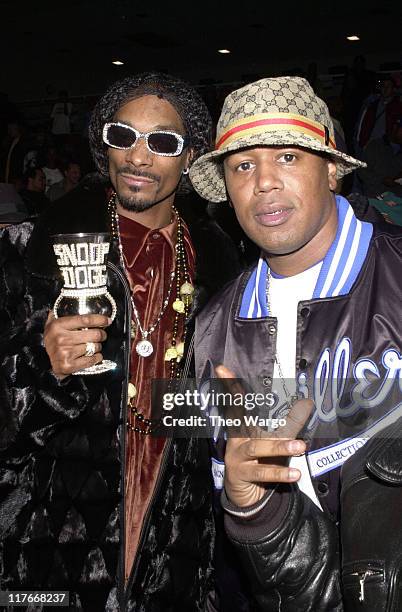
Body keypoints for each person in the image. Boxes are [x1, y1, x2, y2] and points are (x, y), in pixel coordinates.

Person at [0, 72, 240, 610]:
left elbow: (221, 410)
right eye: (122, 135)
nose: (138, 156)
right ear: (101, 145)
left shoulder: (226, 273)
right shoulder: (28, 256)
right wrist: (39, 367)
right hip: (45, 541)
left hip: (173, 539)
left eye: (162, 142)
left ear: (190, 157)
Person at [190, 76, 402, 610]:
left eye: (287, 155)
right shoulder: (213, 330)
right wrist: (250, 507)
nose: (264, 182)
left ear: (331, 170)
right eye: (242, 165)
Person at [357, 115, 402, 198]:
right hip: (374, 197)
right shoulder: (375, 145)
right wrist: (382, 180)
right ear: (395, 127)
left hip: (396, 201)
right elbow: (361, 171)